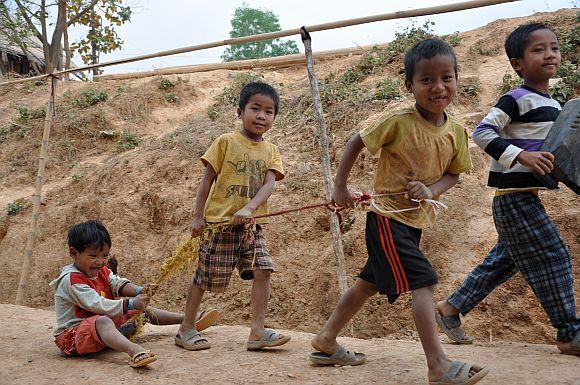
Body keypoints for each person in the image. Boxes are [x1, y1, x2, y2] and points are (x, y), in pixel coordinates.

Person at [309, 38, 488, 385]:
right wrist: (341, 188)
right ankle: (437, 365)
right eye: (426, 79)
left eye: (446, 77)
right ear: (409, 85)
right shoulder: (398, 120)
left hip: (413, 221)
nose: (438, 87)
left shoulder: (455, 131)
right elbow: (356, 142)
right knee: (424, 280)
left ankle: (326, 340)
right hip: (387, 219)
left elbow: (453, 173)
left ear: (456, 79)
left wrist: (431, 189)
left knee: (367, 283)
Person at [436, 23, 580, 356]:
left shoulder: (555, 105)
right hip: (512, 200)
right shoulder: (515, 98)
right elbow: (483, 132)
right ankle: (569, 332)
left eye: (554, 48)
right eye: (538, 49)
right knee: (554, 255)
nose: (549, 54)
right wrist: (522, 156)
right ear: (517, 63)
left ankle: (449, 309)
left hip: (525, 196)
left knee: (503, 262)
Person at [175, 81, 290, 352]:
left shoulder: (271, 151)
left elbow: (269, 184)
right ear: (240, 112)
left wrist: (249, 208)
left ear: (274, 117)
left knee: (264, 269)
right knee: (205, 278)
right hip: (220, 225)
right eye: (255, 108)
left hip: (251, 227)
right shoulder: (226, 142)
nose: (262, 116)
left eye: (269, 111)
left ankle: (257, 331)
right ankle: (186, 328)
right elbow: (206, 181)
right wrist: (197, 217)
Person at [50, 220, 219, 367]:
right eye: (93, 255)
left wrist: (140, 290)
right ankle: (134, 350)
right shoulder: (71, 279)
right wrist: (131, 303)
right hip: (73, 339)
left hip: (102, 327)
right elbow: (97, 304)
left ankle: (187, 320)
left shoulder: (100, 270)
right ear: (74, 253)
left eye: (105, 255)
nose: (100, 261)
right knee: (103, 321)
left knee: (140, 311)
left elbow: (117, 284)